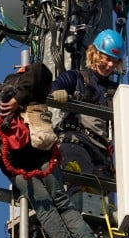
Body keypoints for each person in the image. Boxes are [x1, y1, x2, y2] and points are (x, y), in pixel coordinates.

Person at [0, 62, 111, 238]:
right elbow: (42, 71)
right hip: (39, 152)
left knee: (45, 209)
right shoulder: (28, 84)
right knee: (60, 200)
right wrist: (21, 98)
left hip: (13, 163)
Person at [49, 29, 123, 183]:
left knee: (99, 201)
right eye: (107, 58)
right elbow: (54, 86)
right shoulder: (77, 78)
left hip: (102, 155)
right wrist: (57, 92)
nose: (110, 65)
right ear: (95, 54)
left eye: (114, 61)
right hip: (76, 142)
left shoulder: (116, 91)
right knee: (79, 189)